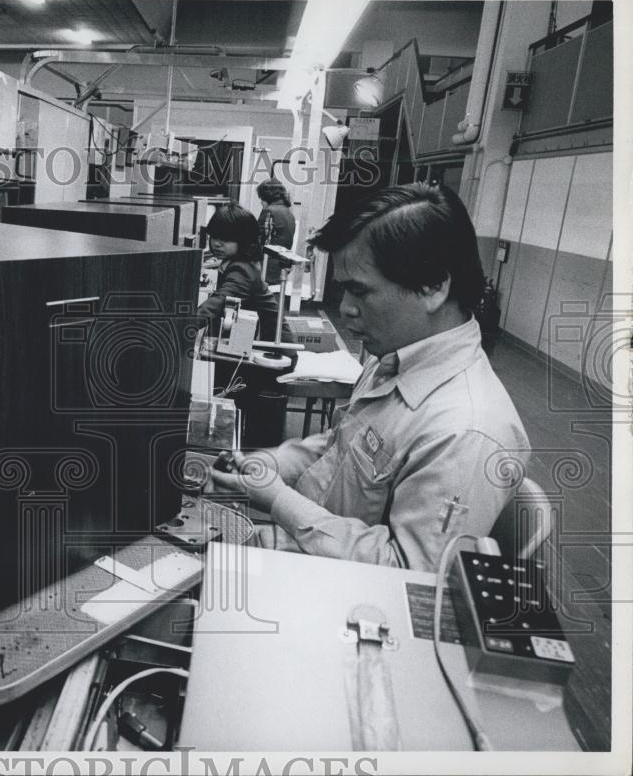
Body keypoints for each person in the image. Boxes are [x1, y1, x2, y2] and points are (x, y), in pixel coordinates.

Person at [210, 183, 530, 573]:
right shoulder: (393, 360)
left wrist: (277, 497)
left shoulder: (465, 431)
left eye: (359, 292)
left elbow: (412, 576)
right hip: (309, 552)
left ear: (432, 286)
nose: (345, 310)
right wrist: (269, 464)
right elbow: (338, 446)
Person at [197, 202, 291, 344]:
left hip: (272, 352)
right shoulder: (239, 261)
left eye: (226, 239)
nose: (217, 243)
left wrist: (185, 324)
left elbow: (219, 301)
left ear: (244, 241)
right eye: (214, 237)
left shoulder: (242, 270)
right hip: (259, 346)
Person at [256, 179, 297, 287]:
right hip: (281, 264)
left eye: (261, 198)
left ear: (267, 197)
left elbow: (261, 240)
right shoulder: (288, 212)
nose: (260, 202)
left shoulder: (269, 211)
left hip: (266, 265)